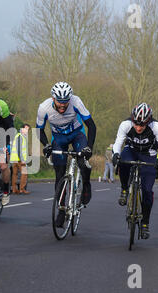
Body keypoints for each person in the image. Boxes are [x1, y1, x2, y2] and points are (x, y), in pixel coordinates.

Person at [36, 82, 96, 227]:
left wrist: (89, 147)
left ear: (70, 98)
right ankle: (61, 211)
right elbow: (39, 130)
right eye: (59, 102)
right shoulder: (44, 108)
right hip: (59, 138)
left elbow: (91, 126)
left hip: (77, 135)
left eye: (65, 102)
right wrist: (47, 145)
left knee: (82, 162)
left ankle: (86, 184)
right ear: (53, 98)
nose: (62, 105)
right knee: (60, 174)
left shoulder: (76, 101)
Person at [112, 103, 158, 239]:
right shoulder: (125, 124)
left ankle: (145, 223)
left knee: (147, 191)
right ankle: (125, 189)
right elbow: (118, 142)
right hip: (131, 150)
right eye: (136, 124)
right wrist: (115, 154)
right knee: (123, 163)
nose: (138, 127)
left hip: (149, 154)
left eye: (142, 125)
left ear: (148, 121)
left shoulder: (156, 127)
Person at [11, 124, 31, 194]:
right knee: (24, 174)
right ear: (22, 129)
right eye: (25, 129)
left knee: (15, 174)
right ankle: (22, 189)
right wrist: (22, 159)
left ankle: (14, 189)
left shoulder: (18, 136)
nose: (26, 131)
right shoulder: (20, 136)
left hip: (14, 159)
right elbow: (19, 149)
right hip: (19, 160)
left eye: (28, 129)